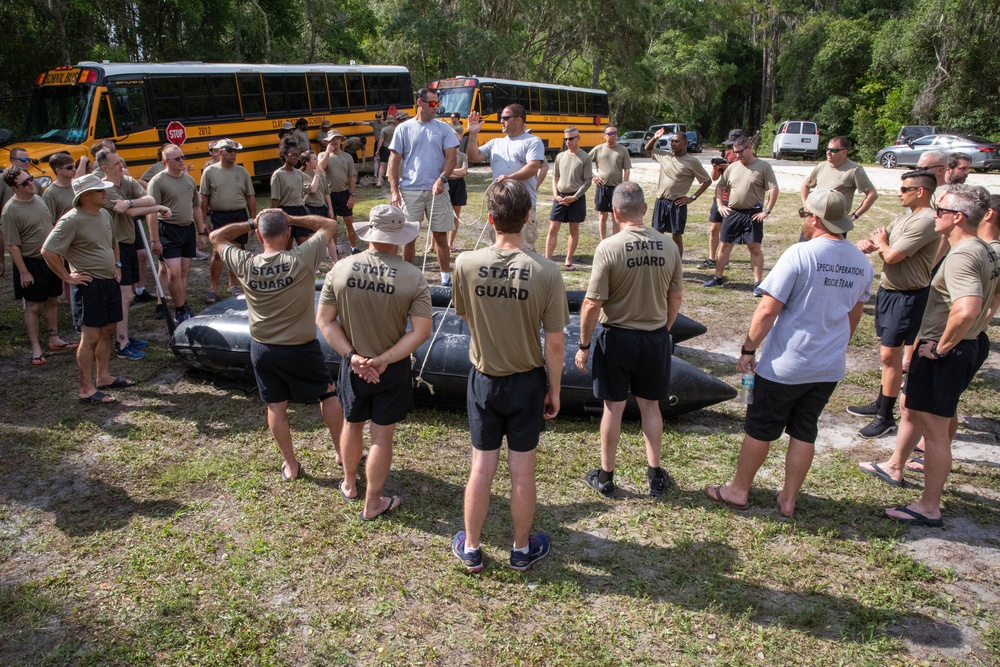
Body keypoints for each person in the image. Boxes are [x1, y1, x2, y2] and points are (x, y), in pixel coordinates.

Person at [706, 189, 873, 517]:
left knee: (760, 429)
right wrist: (834, 345)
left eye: (806, 215)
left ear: (815, 219)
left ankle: (738, 490)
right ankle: (789, 498)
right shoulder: (861, 261)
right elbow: (855, 315)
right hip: (827, 368)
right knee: (804, 430)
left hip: (786, 366)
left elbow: (768, 309)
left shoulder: (801, 254)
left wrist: (747, 349)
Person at [860, 185, 999, 527]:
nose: (934, 216)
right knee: (918, 409)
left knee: (934, 432)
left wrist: (940, 347)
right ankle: (895, 467)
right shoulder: (987, 248)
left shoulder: (964, 254)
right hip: (971, 344)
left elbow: (966, 309)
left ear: (958, 218)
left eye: (940, 211)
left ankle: (929, 507)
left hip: (949, 351)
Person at [450, 180, 568, 573]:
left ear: (490, 219)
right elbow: (554, 344)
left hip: (484, 379)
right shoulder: (547, 271)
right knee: (523, 470)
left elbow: (464, 314)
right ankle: (520, 549)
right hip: (526, 381)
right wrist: (554, 390)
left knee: (481, 466)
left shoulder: (465, 262)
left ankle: (471, 547)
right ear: (529, 217)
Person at [316, 204, 432, 520]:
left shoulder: (340, 269)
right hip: (390, 369)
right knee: (382, 436)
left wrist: (352, 357)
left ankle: (350, 484)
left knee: (352, 425)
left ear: (370, 232)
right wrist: (384, 359)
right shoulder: (413, 276)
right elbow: (422, 330)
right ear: (399, 236)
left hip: (353, 366)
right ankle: (374, 501)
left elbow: (325, 321)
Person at [212, 208, 344, 482]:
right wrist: (292, 218)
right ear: (287, 234)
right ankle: (343, 452)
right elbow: (330, 224)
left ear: (259, 235)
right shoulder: (302, 257)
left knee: (276, 407)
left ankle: (291, 465)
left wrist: (251, 221)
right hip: (302, 347)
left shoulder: (245, 263)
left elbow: (215, 236)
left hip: (263, 349)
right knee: (328, 395)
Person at [575, 182, 682, 498]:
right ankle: (655, 476)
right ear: (645, 210)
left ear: (615, 213)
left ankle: (606, 476)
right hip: (654, 337)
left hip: (617, 339)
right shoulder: (669, 246)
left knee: (613, 408)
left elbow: (593, 303)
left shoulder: (609, 247)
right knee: (651, 407)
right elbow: (675, 297)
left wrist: (583, 346)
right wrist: (663, 328)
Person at [848, 170, 939, 438]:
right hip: (890, 292)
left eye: (904, 189)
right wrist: (870, 242)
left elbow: (893, 255)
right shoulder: (905, 217)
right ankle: (881, 401)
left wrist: (881, 243)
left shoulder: (927, 220)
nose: (899, 193)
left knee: (890, 356)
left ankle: (885, 417)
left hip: (908, 296)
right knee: (888, 355)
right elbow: (880, 239)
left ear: (920, 191)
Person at [42, 174, 137, 404]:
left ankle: (103, 376)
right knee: (91, 335)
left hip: (109, 282)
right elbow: (48, 250)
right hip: (89, 286)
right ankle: (86, 388)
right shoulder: (71, 220)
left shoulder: (104, 213)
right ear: (85, 196)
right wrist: (67, 276)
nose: (105, 193)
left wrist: (117, 265)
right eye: (100, 191)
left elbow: (113, 241)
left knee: (108, 329)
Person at [2, 166, 77, 365]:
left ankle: (54, 337)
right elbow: (13, 245)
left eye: (31, 178)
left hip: (50, 258)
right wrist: (24, 272)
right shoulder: (10, 210)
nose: (31, 183)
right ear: (14, 188)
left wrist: (59, 254)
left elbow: (51, 227)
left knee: (53, 299)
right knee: (33, 306)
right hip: (31, 262)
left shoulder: (39, 199)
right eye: (25, 182)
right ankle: (36, 347)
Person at [96, 149, 167, 359]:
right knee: (124, 296)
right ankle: (122, 342)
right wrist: (156, 207)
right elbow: (133, 212)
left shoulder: (127, 182)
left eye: (121, 162)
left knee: (126, 296)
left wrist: (129, 201)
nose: (122, 166)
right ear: (104, 168)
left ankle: (124, 335)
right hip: (114, 246)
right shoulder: (105, 189)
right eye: (117, 163)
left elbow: (149, 198)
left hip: (128, 243)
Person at [387, 87, 459, 280]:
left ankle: (445, 280)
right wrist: (395, 192)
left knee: (441, 237)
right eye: (432, 103)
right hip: (410, 191)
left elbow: (451, 158)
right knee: (408, 238)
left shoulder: (444, 129)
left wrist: (442, 179)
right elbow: (393, 163)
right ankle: (407, 278)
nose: (436, 107)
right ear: (420, 103)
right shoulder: (403, 128)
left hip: (438, 191)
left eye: (438, 104)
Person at [704, 135, 779, 296]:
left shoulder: (763, 166)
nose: (737, 155)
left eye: (740, 151)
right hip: (733, 212)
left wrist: (766, 211)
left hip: (753, 213)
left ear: (749, 148)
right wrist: (720, 205)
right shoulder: (732, 167)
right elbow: (720, 187)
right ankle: (718, 278)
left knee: (754, 247)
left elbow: (774, 189)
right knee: (725, 245)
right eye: (735, 152)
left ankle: (758, 283)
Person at [466, 104, 546, 249]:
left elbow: (533, 167)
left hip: (523, 204)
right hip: (499, 204)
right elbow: (473, 156)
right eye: (501, 118)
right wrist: (472, 134)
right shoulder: (495, 143)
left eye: (505, 118)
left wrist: (509, 178)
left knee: (524, 249)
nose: (501, 121)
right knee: (498, 247)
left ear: (518, 120)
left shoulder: (532, 141)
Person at [146, 144, 206, 324]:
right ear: (166, 162)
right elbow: (151, 211)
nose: (182, 161)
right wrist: (155, 239)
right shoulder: (157, 181)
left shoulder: (188, 180)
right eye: (177, 159)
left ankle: (182, 303)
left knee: (183, 271)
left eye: (183, 157)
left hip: (187, 230)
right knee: (173, 272)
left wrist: (201, 232)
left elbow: (196, 207)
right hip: (168, 230)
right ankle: (179, 309)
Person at [200, 139, 257, 303]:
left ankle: (233, 285)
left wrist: (252, 219)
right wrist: (204, 220)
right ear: (219, 152)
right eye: (229, 150)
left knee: (236, 251)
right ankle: (213, 289)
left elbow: (250, 197)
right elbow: (204, 198)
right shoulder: (209, 171)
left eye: (235, 151)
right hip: (219, 215)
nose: (233, 154)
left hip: (239, 215)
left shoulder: (242, 172)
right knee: (217, 252)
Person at [643, 128, 711, 258]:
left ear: (685, 143)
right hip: (661, 201)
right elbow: (648, 149)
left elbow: (707, 181)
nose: (673, 144)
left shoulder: (692, 162)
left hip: (677, 203)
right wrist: (655, 137)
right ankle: (658, 261)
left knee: (677, 236)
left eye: (676, 141)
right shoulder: (665, 156)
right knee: (658, 234)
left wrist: (692, 197)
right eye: (672, 141)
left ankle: (677, 264)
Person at [800, 136, 878, 224]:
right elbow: (806, 185)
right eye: (827, 149)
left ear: (844, 152)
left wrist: (854, 216)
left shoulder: (854, 170)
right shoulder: (821, 166)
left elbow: (872, 195)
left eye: (833, 150)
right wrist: (805, 205)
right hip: (815, 219)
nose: (828, 153)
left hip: (836, 223)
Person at [545, 127, 592, 269]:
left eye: (571, 138)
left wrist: (575, 197)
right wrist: (555, 195)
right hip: (560, 197)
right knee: (553, 227)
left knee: (574, 229)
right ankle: (547, 261)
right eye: (565, 139)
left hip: (576, 198)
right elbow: (555, 177)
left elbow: (587, 181)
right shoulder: (560, 156)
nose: (568, 141)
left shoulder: (585, 157)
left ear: (578, 138)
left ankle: (569, 260)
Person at [271, 137, 323, 246]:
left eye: (298, 155)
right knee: (288, 246)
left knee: (304, 246)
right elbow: (275, 200)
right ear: (285, 155)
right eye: (293, 155)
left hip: (300, 211)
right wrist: (275, 219)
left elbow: (308, 190)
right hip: (286, 211)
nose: (296, 158)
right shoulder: (278, 175)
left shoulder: (299, 174)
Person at [699, 133, 741, 269]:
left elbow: (741, 174)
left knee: (727, 231)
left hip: (735, 199)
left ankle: (724, 259)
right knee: (714, 228)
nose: (731, 148)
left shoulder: (746, 157)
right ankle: (712, 258)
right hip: (721, 197)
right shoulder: (726, 155)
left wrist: (729, 166)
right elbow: (715, 178)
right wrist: (716, 167)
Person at [588, 125, 631, 239]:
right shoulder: (598, 149)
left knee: (616, 217)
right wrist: (594, 176)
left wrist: (624, 185)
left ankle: (615, 240)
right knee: (602, 216)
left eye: (615, 133)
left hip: (617, 188)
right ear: (604, 135)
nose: (613, 136)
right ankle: (603, 241)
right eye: (610, 134)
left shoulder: (623, 150)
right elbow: (585, 164)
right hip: (602, 187)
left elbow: (626, 169)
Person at [320, 131, 360, 253]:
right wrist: (327, 152)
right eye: (332, 139)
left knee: (349, 221)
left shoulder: (347, 157)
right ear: (327, 142)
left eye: (337, 138)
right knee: (332, 223)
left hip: (344, 193)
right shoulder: (322, 155)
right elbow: (320, 168)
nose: (335, 141)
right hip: (328, 195)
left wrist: (352, 195)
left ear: (341, 140)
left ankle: (354, 248)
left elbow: (352, 177)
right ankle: (334, 248)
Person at [447, 148, 469, 252]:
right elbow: (439, 171)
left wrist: (447, 171)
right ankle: (433, 244)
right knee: (440, 215)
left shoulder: (463, 155)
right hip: (445, 183)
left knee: (455, 215)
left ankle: (450, 244)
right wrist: (445, 173)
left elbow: (464, 171)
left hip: (458, 185)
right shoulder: (443, 154)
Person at [375, 115, 397, 187]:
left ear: (387, 121)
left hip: (385, 148)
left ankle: (379, 181)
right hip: (394, 148)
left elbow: (381, 140)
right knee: (393, 165)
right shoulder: (396, 129)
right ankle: (392, 181)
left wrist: (378, 150)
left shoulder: (384, 129)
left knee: (382, 165)